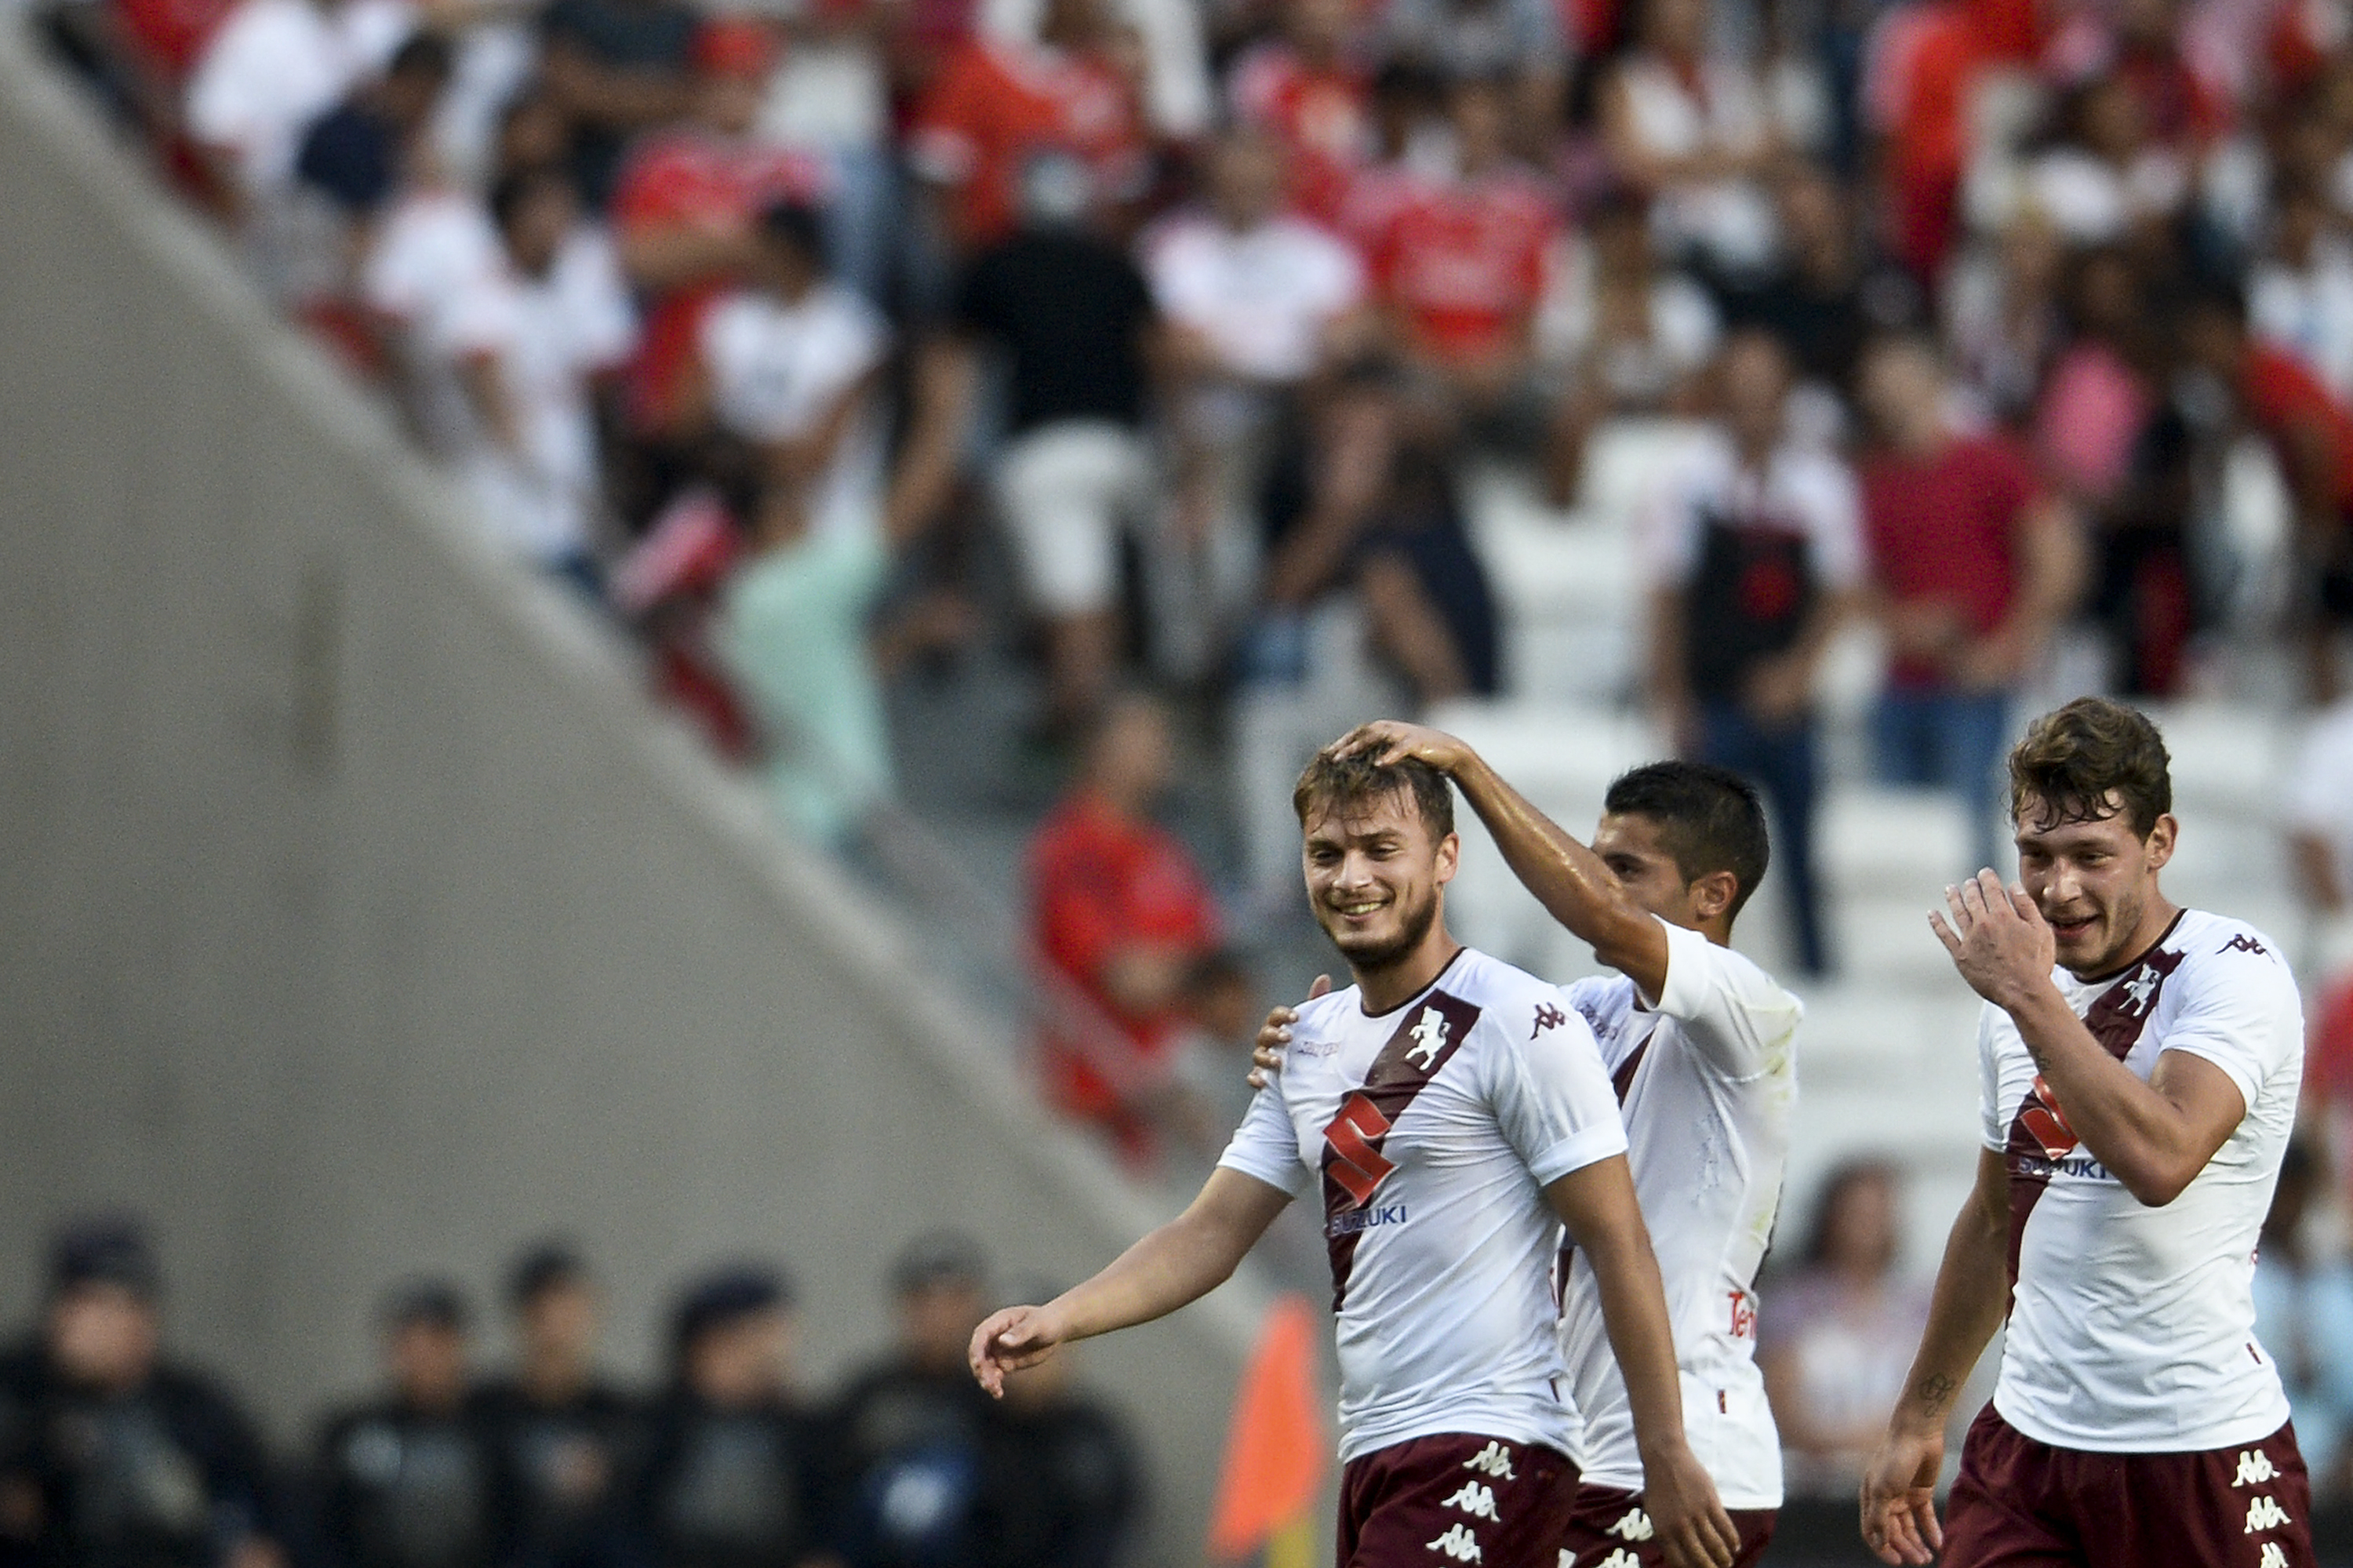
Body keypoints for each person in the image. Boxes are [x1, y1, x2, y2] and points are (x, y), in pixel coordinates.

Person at [970, 747, 1744, 1568]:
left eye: (1381, 849)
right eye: (1327, 853)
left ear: (1446, 857)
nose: (1351, 877)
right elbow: (1210, 1232)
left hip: (1493, 1442)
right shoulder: (1308, 1039)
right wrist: (1061, 1316)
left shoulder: (1520, 1019)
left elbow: (1616, 1238)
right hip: (1376, 1449)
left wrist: (1664, 1450)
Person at [1253, 730, 1798, 1566]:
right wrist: (1326, 1039)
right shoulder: (1582, 1010)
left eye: (1625, 868)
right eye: (1597, 860)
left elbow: (1602, 918)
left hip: (1684, 1460)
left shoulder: (1751, 1013)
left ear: (1712, 894)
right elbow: (1454, 1047)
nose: (1596, 881)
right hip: (1574, 1456)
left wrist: (1467, 768)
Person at [1860, 697, 2312, 1568]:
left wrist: (2030, 998)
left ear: (2159, 842)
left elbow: (2162, 1158)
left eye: (2091, 855)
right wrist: (1919, 1415)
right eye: (2037, 854)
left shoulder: (2230, 972)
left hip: (2199, 1450)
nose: (2058, 888)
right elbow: (1994, 1218)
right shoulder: (2022, 996)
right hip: (2028, 1453)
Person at [1640, 329, 1864, 977]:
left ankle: (1816, 973)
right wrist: (1673, 697)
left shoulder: (1819, 482)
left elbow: (1841, 590)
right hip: (1712, 697)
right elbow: (1666, 593)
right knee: (1697, 857)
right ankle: (1689, 977)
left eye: (1765, 394)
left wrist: (1798, 673)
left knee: (1803, 851)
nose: (1753, 409)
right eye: (1740, 394)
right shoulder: (1685, 478)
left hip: (1785, 702)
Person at [700, 201, 896, 846]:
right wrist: (766, 453)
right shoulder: (731, 318)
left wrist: (739, 444)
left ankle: (829, 801)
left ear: (799, 255)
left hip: (826, 535)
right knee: (776, 671)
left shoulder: (852, 331)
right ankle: (818, 799)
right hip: (753, 529)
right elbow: (684, 420)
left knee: (823, 674)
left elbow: (813, 457)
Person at [1853, 334, 2084, 877]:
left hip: (1976, 681)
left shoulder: (1988, 461)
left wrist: (2008, 646)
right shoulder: (1876, 479)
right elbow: (1857, 581)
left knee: (1975, 837)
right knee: (1898, 845)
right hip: (1904, 681)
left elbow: (2057, 557)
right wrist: (1902, 624)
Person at [0, 1219, 285, 1568]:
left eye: (129, 1307)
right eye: (95, 1306)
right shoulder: (20, 1390)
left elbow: (265, 1498)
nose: (115, 1326)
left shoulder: (192, 1405)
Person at [1026, 693, 1220, 1162]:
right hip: (1083, 1108)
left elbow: (1225, 992)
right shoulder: (1071, 847)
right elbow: (1125, 980)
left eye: (1161, 738)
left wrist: (1183, 975)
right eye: (1142, 737)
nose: (1159, 750)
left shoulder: (1170, 855)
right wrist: (1192, 973)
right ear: (1099, 746)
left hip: (1160, 1111)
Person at [633, 1267, 830, 1568]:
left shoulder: (800, 1428)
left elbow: (824, 1513)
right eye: (765, 1331)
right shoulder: (658, 1424)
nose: (780, 1347)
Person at [1757, 1162, 1930, 1497]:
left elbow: (1943, 1394)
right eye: (1857, 1214)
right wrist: (1840, 1447)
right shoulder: (1791, 1304)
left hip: (1899, 1482)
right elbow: (1779, 1395)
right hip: (1808, 1485)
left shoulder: (1918, 1305)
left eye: (1878, 1214)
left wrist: (1892, 1442)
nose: (1868, 1227)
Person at [827, 1235, 1000, 1568]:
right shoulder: (868, 1395)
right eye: (925, 1302)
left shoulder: (999, 1397)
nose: (939, 1317)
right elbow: (827, 1486)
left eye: (954, 1302)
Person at [470, 1246, 639, 1568]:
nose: (557, 1325)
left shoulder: (620, 1415)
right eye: (544, 1310)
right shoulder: (484, 1412)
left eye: (569, 1308)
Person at [314, 1282, 504, 1568]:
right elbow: (321, 1528)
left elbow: (516, 1530)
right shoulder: (351, 1433)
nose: (422, 1355)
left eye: (435, 1341)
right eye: (409, 1342)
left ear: (461, 1345)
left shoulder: (494, 1432)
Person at [979, 1303, 1142, 1568]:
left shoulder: (1090, 1441)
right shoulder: (973, 1421)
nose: (1025, 1371)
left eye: (1037, 1355)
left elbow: (1103, 1534)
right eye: (1013, 1354)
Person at [2250, 1140, 2353, 1496]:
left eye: (2299, 1192)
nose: (2289, 1206)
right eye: (2282, 1192)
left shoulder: (2331, 1282)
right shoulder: (2241, 1284)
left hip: (2334, 1473)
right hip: (2260, 1471)